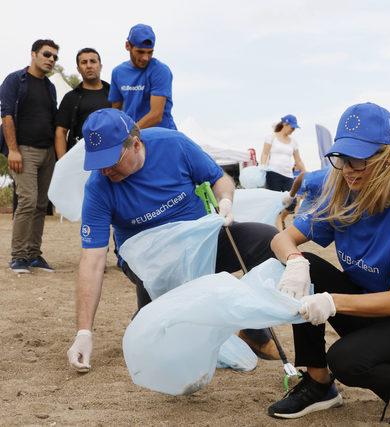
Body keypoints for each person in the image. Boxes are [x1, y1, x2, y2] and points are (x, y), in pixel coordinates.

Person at [266, 102, 390, 425]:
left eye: (359, 159)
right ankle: (319, 383)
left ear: (389, 157)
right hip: (369, 307)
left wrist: (330, 301)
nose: (348, 168)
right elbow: (281, 239)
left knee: (347, 361)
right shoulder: (341, 188)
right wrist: (295, 262)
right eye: (341, 157)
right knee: (306, 267)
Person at [66, 109, 280, 372]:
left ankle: (252, 328)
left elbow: (219, 179)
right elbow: (92, 260)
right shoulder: (98, 187)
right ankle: (148, 316)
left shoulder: (173, 144)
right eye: (98, 162)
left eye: (112, 160)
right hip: (148, 260)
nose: (105, 169)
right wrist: (83, 332)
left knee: (268, 241)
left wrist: (225, 200)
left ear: (135, 144)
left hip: (202, 243)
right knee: (159, 341)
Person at [0, 39, 59, 273]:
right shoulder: (15, 80)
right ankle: (18, 256)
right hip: (23, 150)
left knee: (41, 205)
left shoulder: (50, 87)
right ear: (33, 54)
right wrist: (13, 150)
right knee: (27, 201)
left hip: (47, 153)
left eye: (55, 57)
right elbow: (7, 117)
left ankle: (34, 255)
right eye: (47, 54)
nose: (51, 60)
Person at [109, 24, 176, 130]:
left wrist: (129, 134)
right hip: (133, 138)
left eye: (150, 52)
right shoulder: (117, 72)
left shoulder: (160, 71)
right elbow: (116, 113)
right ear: (128, 46)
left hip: (160, 136)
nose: (145, 58)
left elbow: (156, 115)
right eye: (140, 52)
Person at [54, 48, 111, 159]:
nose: (89, 66)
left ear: (100, 66)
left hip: (111, 156)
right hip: (80, 159)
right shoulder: (71, 97)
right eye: (84, 62)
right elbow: (60, 132)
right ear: (78, 69)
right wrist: (63, 162)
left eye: (93, 61)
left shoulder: (114, 94)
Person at [260, 114, 306, 230]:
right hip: (273, 174)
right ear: (285, 124)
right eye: (292, 127)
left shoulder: (293, 142)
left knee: (292, 203)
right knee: (275, 203)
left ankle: (280, 220)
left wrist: (306, 172)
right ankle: (278, 231)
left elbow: (298, 160)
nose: (293, 130)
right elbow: (265, 153)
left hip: (288, 175)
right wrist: (262, 168)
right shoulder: (271, 137)